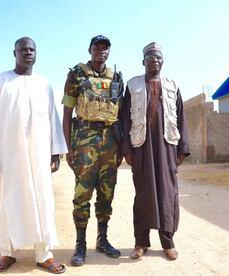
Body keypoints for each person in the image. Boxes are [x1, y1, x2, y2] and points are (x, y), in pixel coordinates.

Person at [0, 37, 67, 274]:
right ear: (14, 52)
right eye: (23, 49)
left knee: (42, 202)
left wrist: (55, 151)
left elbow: (52, 119)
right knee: (7, 203)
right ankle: (7, 252)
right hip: (8, 155)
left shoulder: (44, 84)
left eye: (32, 49)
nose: (28, 53)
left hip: (38, 155)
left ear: (36, 53)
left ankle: (44, 255)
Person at [121, 42, 190, 261]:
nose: (155, 61)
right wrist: (126, 148)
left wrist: (182, 148)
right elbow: (123, 119)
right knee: (143, 194)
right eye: (150, 58)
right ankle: (140, 242)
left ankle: (168, 242)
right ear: (143, 62)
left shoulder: (172, 85)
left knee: (167, 194)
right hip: (141, 147)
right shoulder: (132, 85)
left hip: (167, 147)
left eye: (158, 58)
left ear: (163, 61)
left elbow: (181, 116)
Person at [62, 35, 123, 266]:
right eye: (96, 47)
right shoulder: (76, 74)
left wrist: (122, 147)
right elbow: (67, 113)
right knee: (83, 193)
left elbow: (121, 114)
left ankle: (102, 239)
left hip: (110, 142)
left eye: (105, 48)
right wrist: (67, 146)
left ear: (109, 52)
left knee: (107, 192)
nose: (101, 51)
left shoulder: (116, 77)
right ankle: (80, 245)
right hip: (84, 140)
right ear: (89, 50)